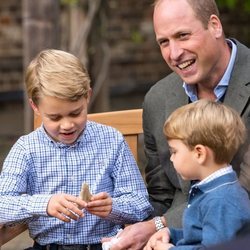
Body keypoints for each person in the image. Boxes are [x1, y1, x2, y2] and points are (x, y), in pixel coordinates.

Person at [102, 0, 250, 249]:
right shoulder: (158, 99)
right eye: (164, 42)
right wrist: (147, 231)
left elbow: (245, 191)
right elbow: (162, 194)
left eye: (183, 36)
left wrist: (159, 226)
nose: (174, 53)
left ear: (214, 26)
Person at [0, 49, 153, 250]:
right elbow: (3, 204)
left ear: (87, 96)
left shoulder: (111, 140)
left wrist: (113, 207)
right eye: (55, 117)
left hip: (103, 245)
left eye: (75, 113)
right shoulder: (26, 149)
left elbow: (141, 204)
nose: (67, 125)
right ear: (35, 107)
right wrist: (44, 204)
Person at [144, 99, 250, 250]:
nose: (171, 158)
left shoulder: (222, 201)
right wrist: (171, 234)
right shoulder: (212, 190)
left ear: (199, 153)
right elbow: (202, 235)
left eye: (174, 151)